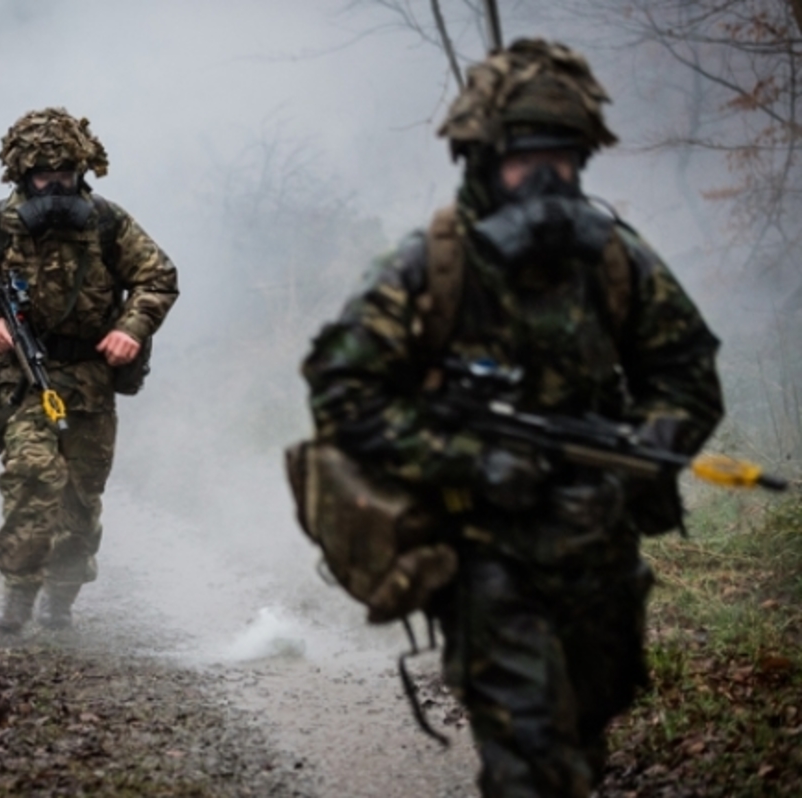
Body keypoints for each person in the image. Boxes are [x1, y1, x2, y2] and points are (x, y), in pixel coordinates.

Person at [301, 40, 724, 797]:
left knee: (584, 733)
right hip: (483, 555)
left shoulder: (614, 261)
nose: (548, 177)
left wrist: (652, 441)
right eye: (528, 159)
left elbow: (687, 371)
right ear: (484, 160)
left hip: (600, 552)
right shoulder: (431, 266)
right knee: (532, 758)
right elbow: (343, 391)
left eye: (564, 159)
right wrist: (468, 463)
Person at [0, 108, 178, 633]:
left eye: (66, 172)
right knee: (31, 478)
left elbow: (158, 277)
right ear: (23, 173)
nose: (56, 184)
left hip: (89, 383)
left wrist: (132, 328)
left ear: (81, 170)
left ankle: (61, 599)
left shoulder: (108, 222)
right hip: (22, 380)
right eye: (44, 174)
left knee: (80, 501)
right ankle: (18, 595)